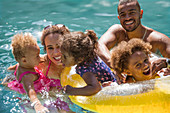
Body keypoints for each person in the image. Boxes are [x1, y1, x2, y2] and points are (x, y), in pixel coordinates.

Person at [7, 25, 73, 113]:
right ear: (45, 49)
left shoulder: (76, 63)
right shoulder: (40, 62)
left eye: (59, 46)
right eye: (50, 48)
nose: (56, 52)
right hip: (37, 101)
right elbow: (20, 65)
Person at [98, 0, 170, 68]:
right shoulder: (118, 33)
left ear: (140, 14)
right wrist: (115, 67)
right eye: (123, 15)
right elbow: (98, 46)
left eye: (132, 13)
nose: (127, 18)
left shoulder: (158, 40)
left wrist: (166, 62)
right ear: (119, 18)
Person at [61, 30, 117, 96]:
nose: (61, 58)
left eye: (65, 56)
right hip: (114, 80)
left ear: (79, 59)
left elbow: (95, 88)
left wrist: (72, 90)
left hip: (113, 91)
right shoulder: (91, 55)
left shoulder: (84, 69)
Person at [7, 33, 49, 113]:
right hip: (27, 99)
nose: (40, 57)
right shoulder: (27, 76)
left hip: (16, 85)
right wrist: (37, 105)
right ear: (24, 60)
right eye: (37, 56)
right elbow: (31, 92)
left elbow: (11, 69)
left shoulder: (20, 65)